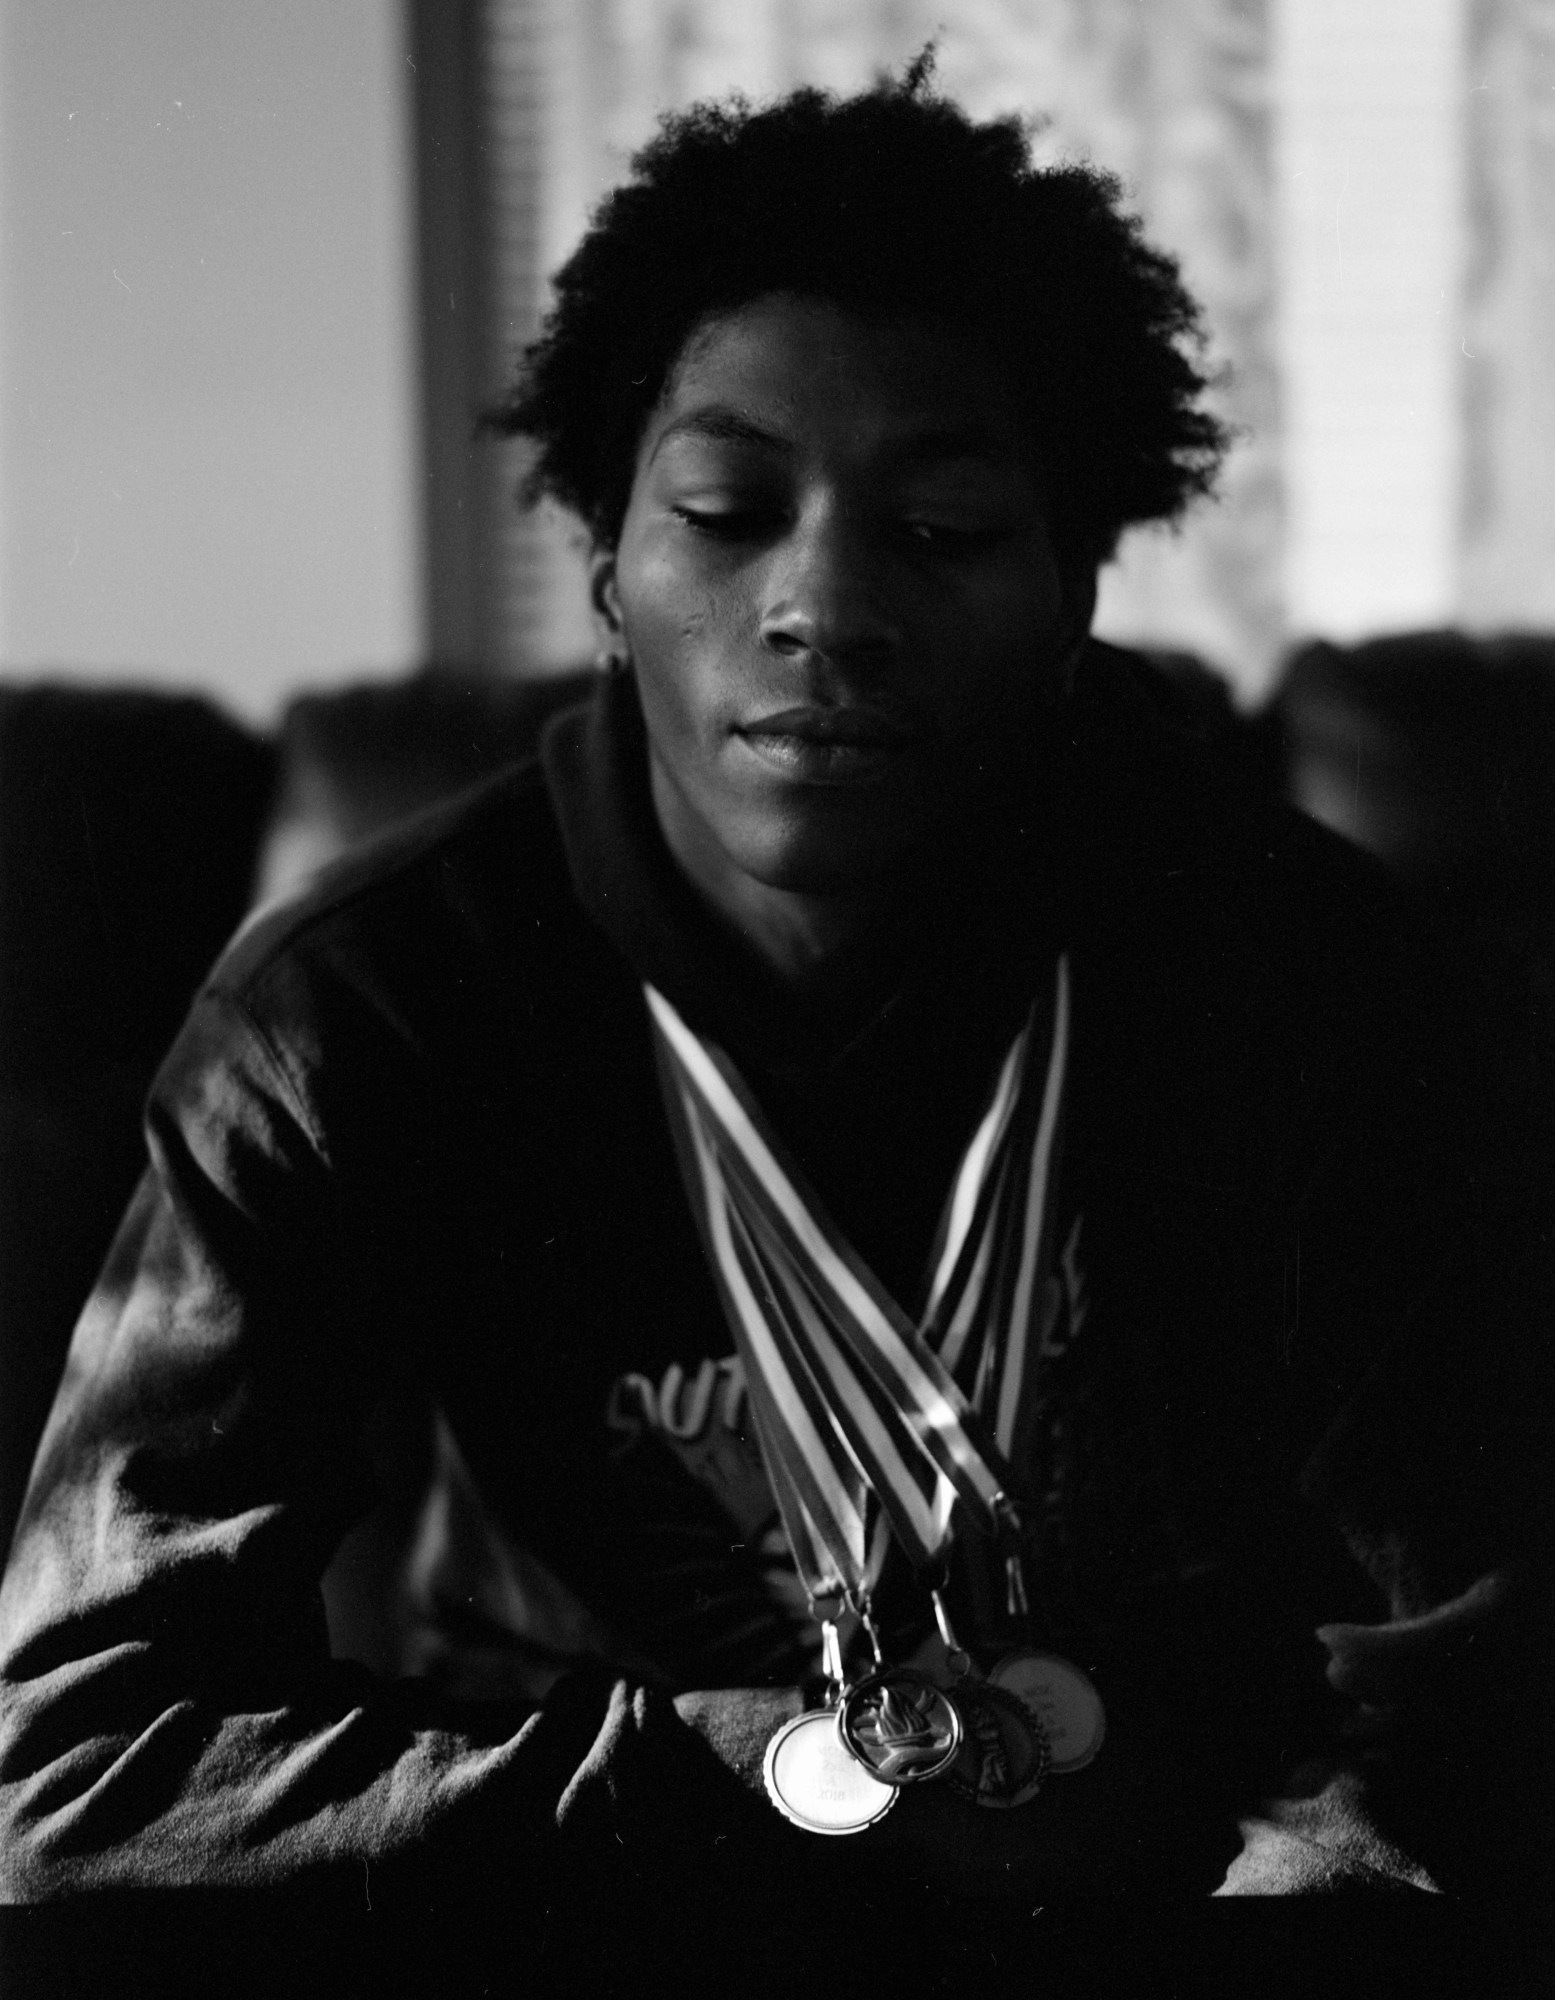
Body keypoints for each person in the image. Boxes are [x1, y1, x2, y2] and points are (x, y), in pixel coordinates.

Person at [0, 59, 1548, 1996]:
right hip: (573, 1893)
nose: (821, 603)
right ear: (606, 570)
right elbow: (69, 1762)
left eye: (948, 529)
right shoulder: (352, 1020)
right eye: (728, 508)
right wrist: (707, 1790)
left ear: (1077, 592)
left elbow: (1491, 1658)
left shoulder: (1303, 975)